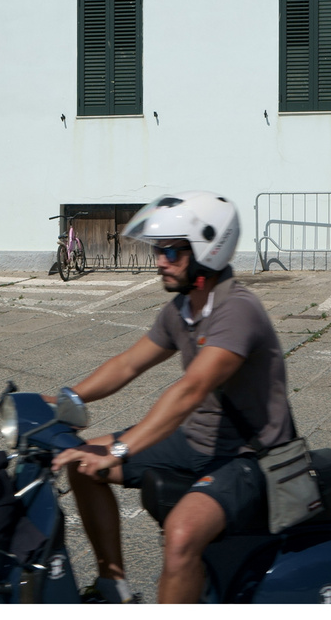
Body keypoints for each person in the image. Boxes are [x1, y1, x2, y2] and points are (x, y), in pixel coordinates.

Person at [51, 191, 294, 604]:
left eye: (172, 251)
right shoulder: (182, 308)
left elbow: (190, 390)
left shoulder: (236, 310)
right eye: (159, 250)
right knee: (81, 462)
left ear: (206, 252)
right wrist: (61, 398)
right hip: (198, 441)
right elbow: (128, 365)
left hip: (252, 455)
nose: (160, 260)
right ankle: (114, 586)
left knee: (181, 535)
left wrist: (122, 449)